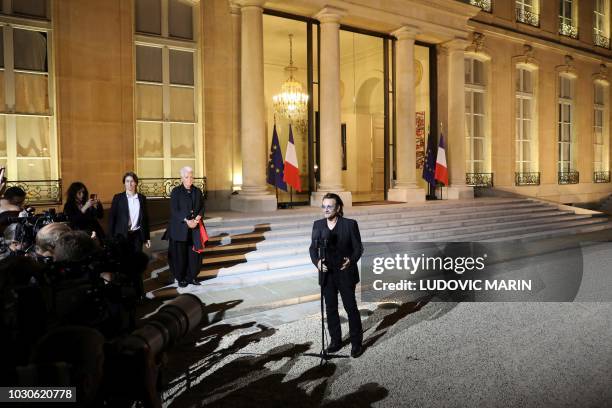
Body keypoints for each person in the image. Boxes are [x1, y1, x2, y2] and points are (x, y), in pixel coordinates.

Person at [309, 193, 364, 358]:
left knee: (350, 308)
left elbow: (358, 248)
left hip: (345, 273)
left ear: (338, 208)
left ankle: (356, 344)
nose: (326, 209)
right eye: (324, 206)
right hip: (327, 275)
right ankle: (335, 341)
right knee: (331, 308)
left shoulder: (350, 224)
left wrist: (352, 260)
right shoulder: (318, 225)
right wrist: (317, 262)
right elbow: (312, 248)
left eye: (329, 206)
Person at [167, 166, 204, 288]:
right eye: (187, 177)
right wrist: (187, 221)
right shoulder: (176, 191)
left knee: (194, 255)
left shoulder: (197, 191)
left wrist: (197, 218)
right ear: (182, 178)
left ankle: (192, 277)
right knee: (180, 255)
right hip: (180, 228)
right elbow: (174, 210)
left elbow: (202, 207)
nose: (190, 179)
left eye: (191, 176)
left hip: (194, 228)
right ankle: (181, 278)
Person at [108, 172, 151, 253]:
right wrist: (110, 238)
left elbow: (145, 219)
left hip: (137, 235)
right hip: (122, 235)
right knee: (124, 261)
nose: (129, 184)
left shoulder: (142, 198)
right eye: (127, 181)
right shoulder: (118, 198)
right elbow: (112, 218)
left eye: (132, 181)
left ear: (136, 183)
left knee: (136, 260)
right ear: (124, 183)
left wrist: (147, 237)